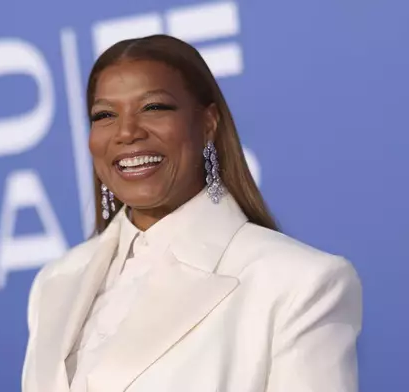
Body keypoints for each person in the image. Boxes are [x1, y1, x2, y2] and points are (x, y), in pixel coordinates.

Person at [21, 34, 362, 392]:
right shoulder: (55, 283)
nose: (126, 132)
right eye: (104, 115)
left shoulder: (298, 283)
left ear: (208, 124)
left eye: (153, 107)